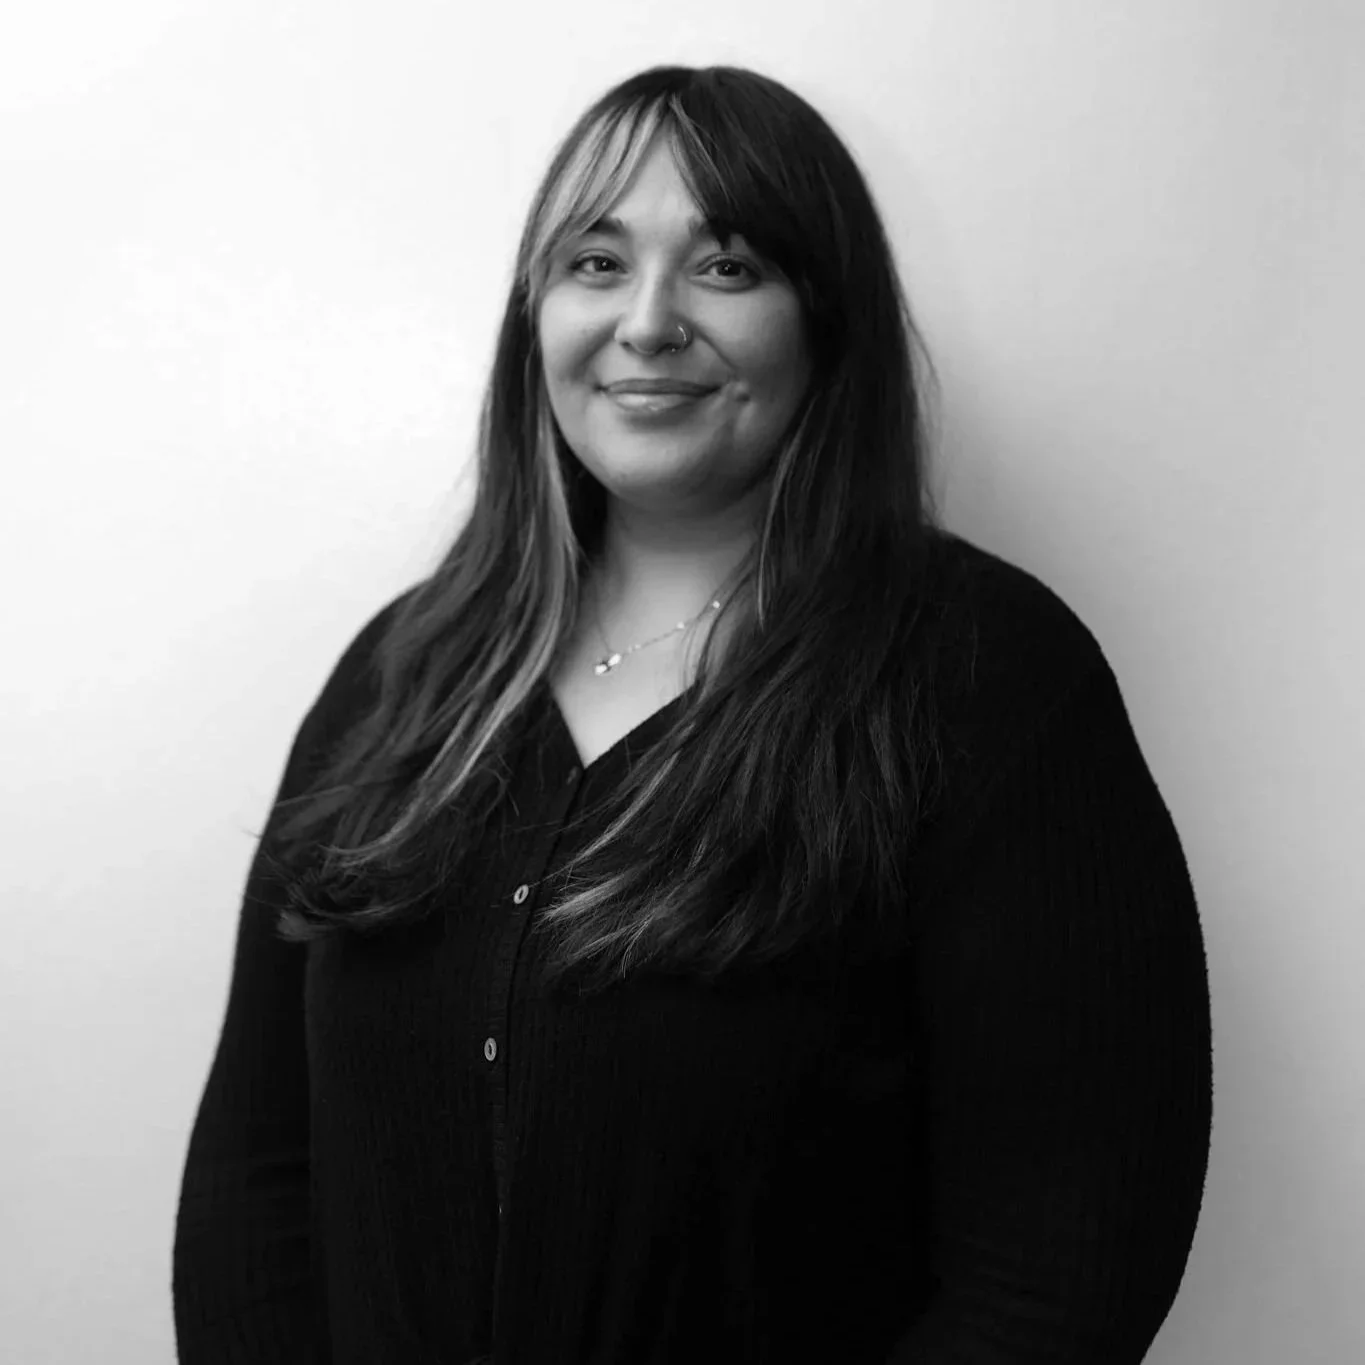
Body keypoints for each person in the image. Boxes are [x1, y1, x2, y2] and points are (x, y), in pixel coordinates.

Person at [172, 64, 1213, 1365]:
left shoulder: (990, 682)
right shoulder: (401, 674)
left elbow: (1064, 1267)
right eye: (595, 263)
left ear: (826, 324)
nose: (648, 322)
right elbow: (256, 1177)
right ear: (534, 317)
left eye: (725, 267)